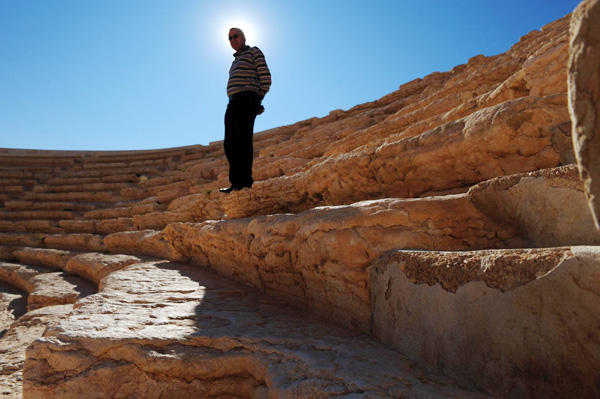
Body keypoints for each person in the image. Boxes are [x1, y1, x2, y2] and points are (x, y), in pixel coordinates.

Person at [220, 27, 271, 193]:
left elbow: (265, 77)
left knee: (243, 140)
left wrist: (257, 99)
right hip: (233, 102)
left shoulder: (254, 51)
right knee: (230, 143)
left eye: (236, 36)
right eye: (230, 38)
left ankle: (244, 183)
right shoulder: (235, 60)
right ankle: (236, 183)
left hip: (247, 98)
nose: (233, 39)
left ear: (243, 37)